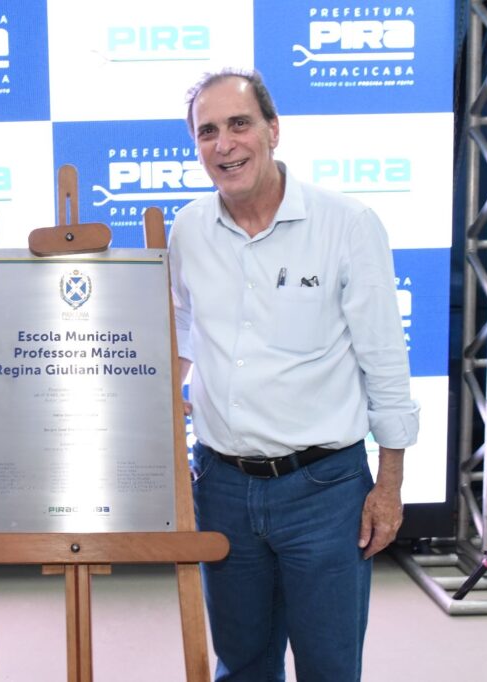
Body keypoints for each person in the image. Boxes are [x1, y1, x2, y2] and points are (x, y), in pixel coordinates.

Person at [168, 69, 419, 681]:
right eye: (207, 131)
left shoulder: (347, 225)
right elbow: (174, 347)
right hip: (222, 486)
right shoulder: (188, 230)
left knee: (330, 667)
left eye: (238, 124)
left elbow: (384, 361)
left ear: (273, 130)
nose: (223, 144)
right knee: (244, 664)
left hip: (326, 491)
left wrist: (388, 488)